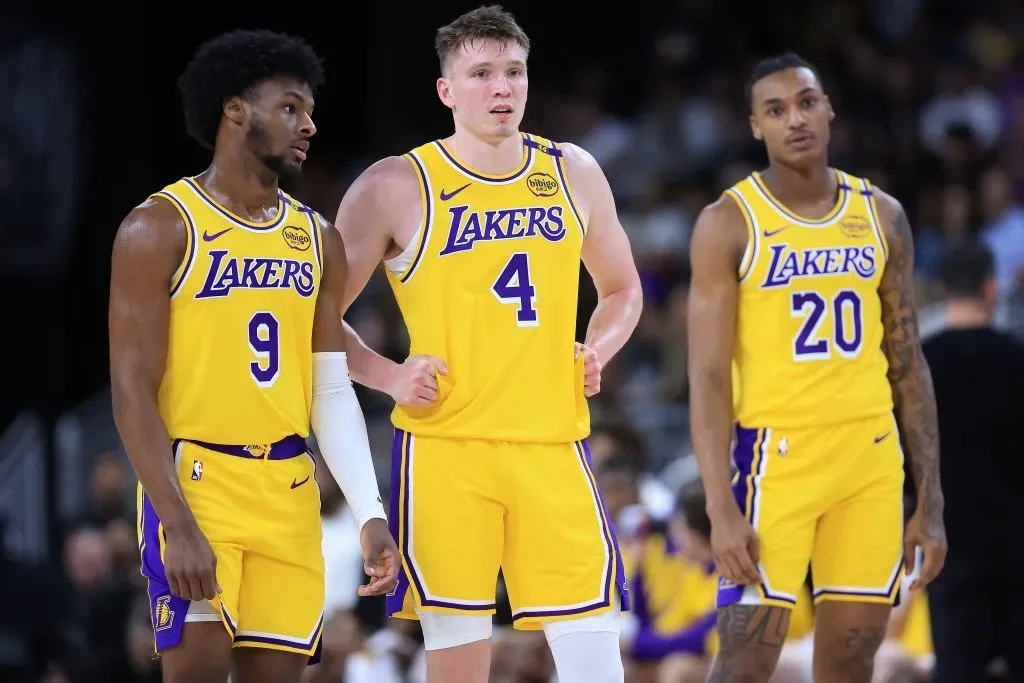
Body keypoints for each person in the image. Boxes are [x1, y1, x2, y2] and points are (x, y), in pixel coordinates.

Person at [333, 6, 643, 683]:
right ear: (446, 90)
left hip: (553, 445)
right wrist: (387, 375)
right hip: (448, 453)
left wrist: (598, 347)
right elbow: (314, 315)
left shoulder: (574, 171)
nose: (502, 88)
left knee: (597, 662)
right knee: (459, 664)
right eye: (481, 74)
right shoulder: (396, 184)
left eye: (513, 72)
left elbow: (623, 290)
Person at [108, 29, 399, 683]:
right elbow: (132, 390)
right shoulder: (160, 227)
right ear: (236, 111)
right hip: (200, 482)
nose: (310, 124)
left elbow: (329, 389)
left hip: (290, 491)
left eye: (311, 109)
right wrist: (175, 520)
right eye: (292, 107)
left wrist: (369, 513)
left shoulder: (318, 238)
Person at [686, 52, 947, 683]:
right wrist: (720, 508)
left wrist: (930, 497)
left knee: (853, 661)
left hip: (871, 461)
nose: (794, 119)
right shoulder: (728, 222)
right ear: (755, 127)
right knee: (745, 662)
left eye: (806, 102)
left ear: (828, 108)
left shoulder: (882, 215)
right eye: (775, 109)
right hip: (776, 460)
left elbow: (908, 362)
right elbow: (710, 376)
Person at [922, 241, 1024, 682]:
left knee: (957, 671)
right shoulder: (1016, 358)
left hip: (948, 545)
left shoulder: (920, 366)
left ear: (943, 290)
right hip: (1015, 542)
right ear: (991, 286)